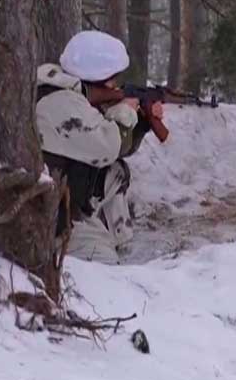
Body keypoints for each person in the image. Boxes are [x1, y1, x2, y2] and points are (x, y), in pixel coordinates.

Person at [35, 30, 163, 262]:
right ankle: (97, 250)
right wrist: (125, 111)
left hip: (69, 191)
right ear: (97, 77)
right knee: (106, 269)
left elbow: (119, 150)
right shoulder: (62, 103)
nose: (115, 85)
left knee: (117, 172)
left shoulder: (70, 94)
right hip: (55, 215)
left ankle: (121, 239)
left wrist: (141, 121)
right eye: (112, 79)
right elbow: (108, 146)